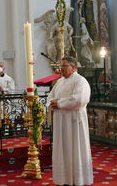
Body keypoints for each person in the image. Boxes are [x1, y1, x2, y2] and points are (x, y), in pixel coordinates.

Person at [47, 56, 93, 186]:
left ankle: (78, 179)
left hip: (73, 122)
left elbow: (79, 99)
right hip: (60, 120)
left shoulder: (81, 81)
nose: (60, 69)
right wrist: (52, 103)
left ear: (73, 68)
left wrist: (59, 103)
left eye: (64, 66)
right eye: (61, 66)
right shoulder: (60, 82)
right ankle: (64, 179)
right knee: (62, 149)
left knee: (75, 149)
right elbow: (51, 96)